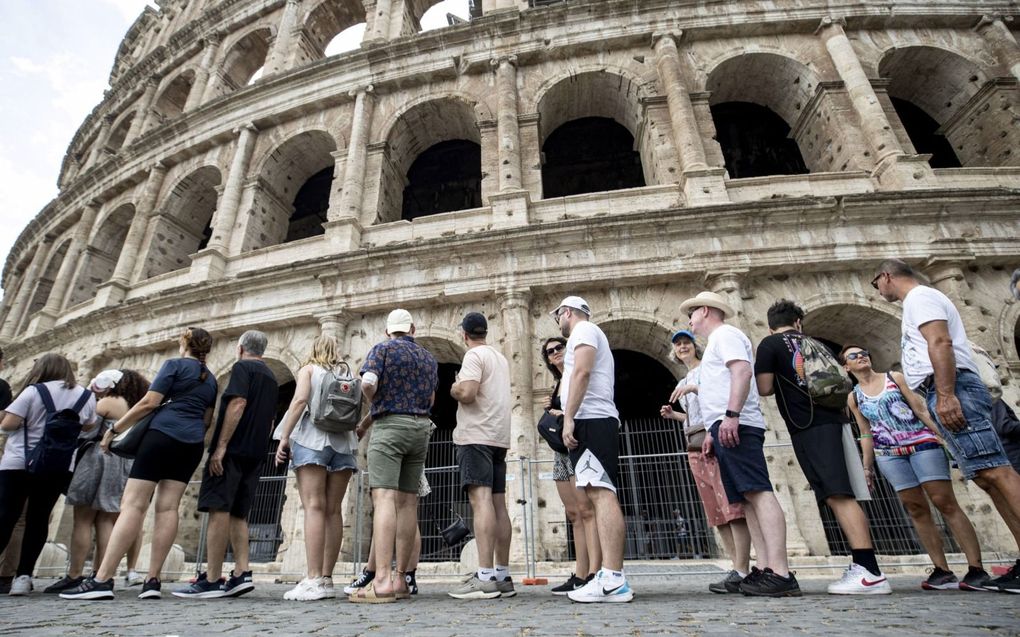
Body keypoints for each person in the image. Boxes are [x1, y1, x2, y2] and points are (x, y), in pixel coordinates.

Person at [873, 258, 1020, 594]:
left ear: (886, 277)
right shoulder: (917, 301)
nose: (878, 290)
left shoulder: (921, 298)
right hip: (945, 388)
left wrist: (946, 394)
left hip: (953, 388)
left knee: (997, 471)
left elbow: (940, 342)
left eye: (876, 284)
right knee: (986, 477)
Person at [61, 327, 218, 600]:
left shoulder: (174, 365)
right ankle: (153, 580)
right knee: (169, 508)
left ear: (185, 344)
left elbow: (148, 402)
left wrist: (114, 431)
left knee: (132, 505)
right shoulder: (211, 379)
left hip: (161, 437)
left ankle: (102, 579)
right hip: (191, 444)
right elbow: (206, 420)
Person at [753, 299, 890, 595]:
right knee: (840, 492)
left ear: (770, 324)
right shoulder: (818, 343)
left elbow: (764, 388)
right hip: (836, 421)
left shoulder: (770, 344)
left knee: (837, 494)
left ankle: (869, 570)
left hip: (808, 425)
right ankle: (864, 565)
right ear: (799, 321)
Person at [679, 291, 800, 597]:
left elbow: (742, 371)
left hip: (737, 424)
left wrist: (731, 415)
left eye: (691, 315)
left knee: (758, 491)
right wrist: (711, 430)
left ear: (705, 311)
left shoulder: (726, 335)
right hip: (723, 426)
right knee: (746, 498)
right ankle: (764, 569)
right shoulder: (716, 344)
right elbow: (715, 390)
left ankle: (781, 571)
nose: (689, 322)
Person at [841, 344, 990, 591]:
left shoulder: (893, 378)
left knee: (944, 501)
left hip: (922, 444)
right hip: (889, 454)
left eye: (864, 353)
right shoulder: (854, 396)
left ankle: (976, 568)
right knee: (915, 508)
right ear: (846, 366)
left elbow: (919, 409)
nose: (861, 357)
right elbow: (865, 433)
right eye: (854, 356)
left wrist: (943, 437)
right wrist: (866, 468)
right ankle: (941, 570)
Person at [176, 331, 279, 599]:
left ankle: (211, 578)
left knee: (218, 508)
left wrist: (221, 447)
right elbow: (270, 420)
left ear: (240, 347)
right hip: (255, 452)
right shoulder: (270, 376)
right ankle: (241, 573)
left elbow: (238, 403)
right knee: (239, 513)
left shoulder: (243, 367)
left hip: (233, 449)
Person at [350, 309, 437, 603]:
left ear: (388, 331)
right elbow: (432, 398)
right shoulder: (427, 357)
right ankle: (401, 578)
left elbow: (368, 382)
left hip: (390, 425)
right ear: (412, 328)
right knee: (408, 501)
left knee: (384, 498)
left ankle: (382, 579)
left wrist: (375, 401)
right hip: (421, 427)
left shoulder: (382, 349)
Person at [660, 329, 753, 594]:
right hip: (693, 442)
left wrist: (695, 388)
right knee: (715, 510)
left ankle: (744, 566)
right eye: (677, 344)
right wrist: (674, 416)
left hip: (712, 438)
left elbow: (721, 397)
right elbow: (692, 416)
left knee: (730, 504)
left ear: (695, 346)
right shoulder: (683, 379)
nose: (682, 347)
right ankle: (734, 568)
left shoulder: (708, 369)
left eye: (686, 343)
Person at [553, 296, 633, 603]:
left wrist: (569, 418)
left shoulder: (583, 331)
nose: (558, 321)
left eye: (558, 315)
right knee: (597, 492)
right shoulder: (587, 332)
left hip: (592, 419)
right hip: (594, 419)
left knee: (601, 492)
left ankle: (613, 577)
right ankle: (609, 575)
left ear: (568, 312)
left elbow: (582, 373)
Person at [45, 370, 150, 594]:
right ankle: (103, 575)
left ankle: (74, 574)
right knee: (106, 519)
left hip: (98, 459)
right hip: (123, 463)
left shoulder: (109, 402)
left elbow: (86, 431)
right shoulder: (136, 405)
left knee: (83, 518)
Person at [0, 353, 97, 596]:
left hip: (19, 462)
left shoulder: (33, 391)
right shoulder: (85, 395)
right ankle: (23, 576)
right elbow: (88, 425)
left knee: (6, 517)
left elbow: (8, 424)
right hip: (57, 466)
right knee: (39, 518)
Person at [273, 334, 359, 601]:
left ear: (313, 349)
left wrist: (284, 436)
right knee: (333, 511)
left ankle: (311, 578)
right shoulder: (347, 375)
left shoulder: (309, 369)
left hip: (312, 440)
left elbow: (299, 402)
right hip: (344, 444)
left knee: (313, 506)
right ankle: (326, 578)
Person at [448, 312, 513, 599]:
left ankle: (484, 575)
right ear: (485, 332)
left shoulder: (473, 357)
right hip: (499, 437)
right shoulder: (499, 358)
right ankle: (502, 574)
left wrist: (454, 387)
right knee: (499, 504)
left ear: (464, 334)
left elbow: (469, 393)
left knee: (481, 501)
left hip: (476, 436)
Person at [541, 336, 602, 595]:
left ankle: (595, 572)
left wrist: (562, 414)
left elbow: (588, 404)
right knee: (574, 514)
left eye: (559, 348)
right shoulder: (558, 383)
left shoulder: (577, 374)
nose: (555, 353)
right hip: (561, 452)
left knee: (587, 511)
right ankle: (579, 573)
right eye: (549, 351)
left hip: (578, 446)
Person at [0, 345, 24, 595]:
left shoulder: (26, 392)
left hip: (14, 462)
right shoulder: (2, 387)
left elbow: (7, 424)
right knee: (19, 519)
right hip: (32, 463)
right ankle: (11, 575)